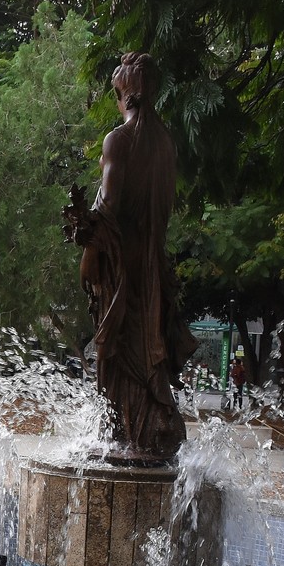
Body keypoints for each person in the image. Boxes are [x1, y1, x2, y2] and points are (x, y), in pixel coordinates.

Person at [63, 52, 197, 463]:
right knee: (144, 345)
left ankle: (126, 433)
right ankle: (146, 430)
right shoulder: (165, 143)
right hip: (152, 265)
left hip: (121, 266)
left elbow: (107, 206)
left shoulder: (119, 140)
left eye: (117, 94)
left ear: (125, 94)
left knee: (116, 349)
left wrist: (89, 254)